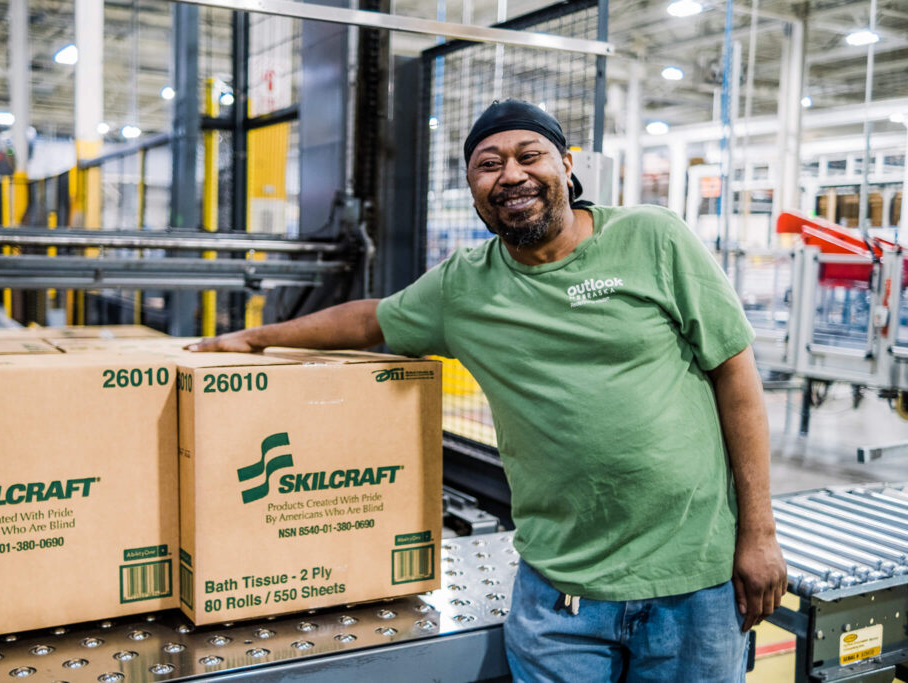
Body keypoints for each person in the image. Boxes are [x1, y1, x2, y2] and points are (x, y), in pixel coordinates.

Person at [187, 99, 787, 682]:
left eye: (531, 155)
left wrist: (759, 535)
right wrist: (254, 337)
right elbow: (372, 319)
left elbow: (736, 376)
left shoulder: (655, 239)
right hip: (560, 599)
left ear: (567, 166)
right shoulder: (464, 287)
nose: (512, 175)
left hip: (693, 585)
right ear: (473, 187)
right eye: (488, 164)